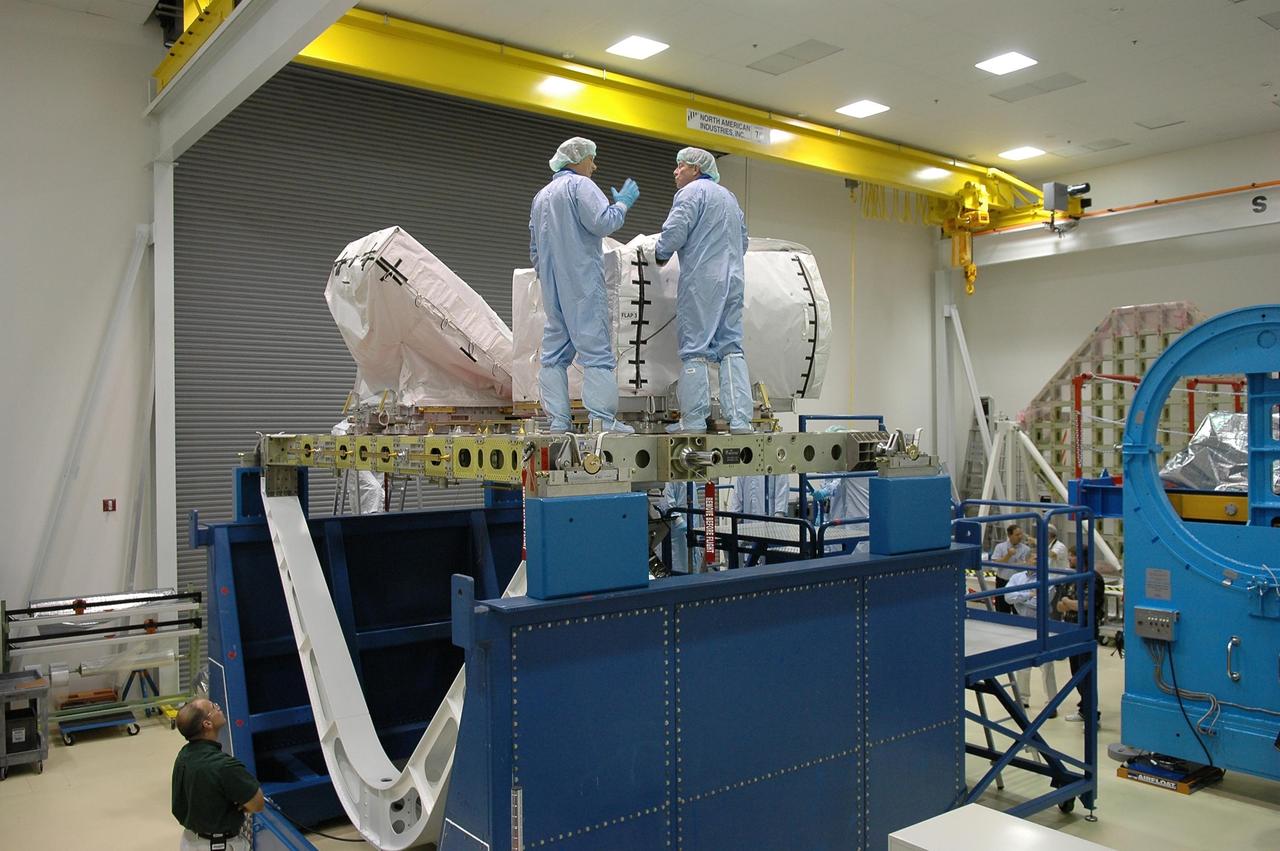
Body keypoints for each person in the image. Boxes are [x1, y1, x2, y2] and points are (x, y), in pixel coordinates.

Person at [530, 137, 640, 433]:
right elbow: (602, 223)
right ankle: (602, 420)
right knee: (597, 353)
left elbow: (534, 249)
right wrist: (622, 204)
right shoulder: (582, 187)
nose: (595, 165)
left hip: (554, 288)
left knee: (553, 355)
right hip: (582, 284)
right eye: (592, 158)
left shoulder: (541, 196)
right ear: (578, 159)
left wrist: (552, 276)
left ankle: (558, 422)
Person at [655, 147, 752, 434]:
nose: (675, 171)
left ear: (696, 169)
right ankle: (741, 420)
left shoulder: (690, 193)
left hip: (702, 282)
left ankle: (695, 420)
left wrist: (660, 251)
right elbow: (743, 241)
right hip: (733, 280)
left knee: (695, 349)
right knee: (731, 348)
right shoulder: (729, 197)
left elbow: (675, 231)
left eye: (680, 166)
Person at [172, 698, 263, 850]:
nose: (219, 707)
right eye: (214, 707)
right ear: (207, 724)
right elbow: (257, 803)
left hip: (190, 842)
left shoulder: (183, 756)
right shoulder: (223, 766)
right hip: (219, 845)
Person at [1056, 549, 1106, 723]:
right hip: (1070, 630)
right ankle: (1084, 709)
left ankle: (1092, 714)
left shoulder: (1094, 578)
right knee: (1076, 672)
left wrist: (1069, 603)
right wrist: (1070, 604)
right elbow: (1059, 606)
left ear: (1083, 558)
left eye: (1073, 554)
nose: (1069, 558)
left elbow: (1085, 605)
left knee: (1086, 672)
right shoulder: (1072, 578)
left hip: (1086, 630)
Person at [1004, 567, 1060, 717]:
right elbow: (1007, 598)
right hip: (1022, 625)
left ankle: (1052, 703)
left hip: (1042, 624)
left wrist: (1020, 597)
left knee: (1047, 665)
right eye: (1033, 559)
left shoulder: (1048, 579)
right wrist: (1029, 594)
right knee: (1022, 663)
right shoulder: (1017, 577)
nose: (1035, 562)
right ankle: (1022, 699)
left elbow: (1039, 602)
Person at [989, 524, 1029, 614]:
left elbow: (1026, 565)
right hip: (1002, 581)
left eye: (1020, 534)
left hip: (1018, 584)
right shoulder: (1000, 547)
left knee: (1018, 609)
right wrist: (1008, 555)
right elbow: (996, 563)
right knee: (1001, 609)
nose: (1020, 537)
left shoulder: (1026, 549)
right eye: (1017, 535)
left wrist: (1020, 563)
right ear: (1009, 535)